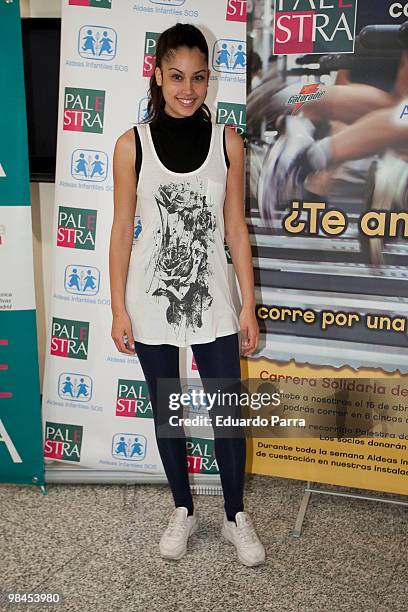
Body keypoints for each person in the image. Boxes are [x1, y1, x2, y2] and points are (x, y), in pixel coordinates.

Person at [109, 23, 265, 567]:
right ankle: (182, 508)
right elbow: (122, 226)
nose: (188, 89)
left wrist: (247, 303)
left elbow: (236, 227)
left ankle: (233, 516)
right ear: (157, 74)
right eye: (177, 76)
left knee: (226, 409)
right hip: (150, 296)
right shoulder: (131, 145)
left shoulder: (228, 141)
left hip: (214, 297)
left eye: (198, 77)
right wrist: (116, 306)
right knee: (167, 409)